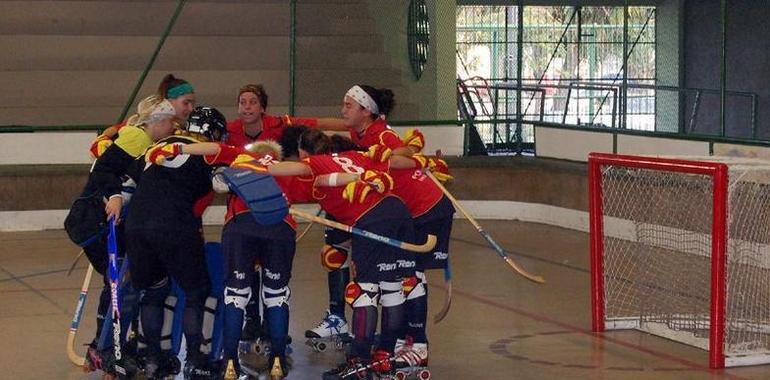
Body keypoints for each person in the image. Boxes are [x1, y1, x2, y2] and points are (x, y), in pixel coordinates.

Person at [68, 95, 180, 376]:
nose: (173, 127)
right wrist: (115, 195)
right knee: (117, 283)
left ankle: (108, 345)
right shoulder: (136, 137)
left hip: (105, 223)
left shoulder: (146, 143)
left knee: (119, 283)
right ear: (157, 122)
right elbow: (103, 169)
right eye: (169, 122)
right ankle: (103, 349)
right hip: (93, 220)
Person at [125, 106, 231, 380]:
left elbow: (127, 181)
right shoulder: (208, 153)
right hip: (174, 224)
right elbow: (222, 184)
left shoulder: (159, 145)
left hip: (137, 224)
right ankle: (196, 360)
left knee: (154, 290)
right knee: (197, 292)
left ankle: (153, 359)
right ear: (213, 133)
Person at [89, 74, 196, 158]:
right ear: (169, 100)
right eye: (186, 103)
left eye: (192, 103)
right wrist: (103, 140)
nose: (191, 108)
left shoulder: (182, 129)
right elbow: (114, 130)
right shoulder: (142, 122)